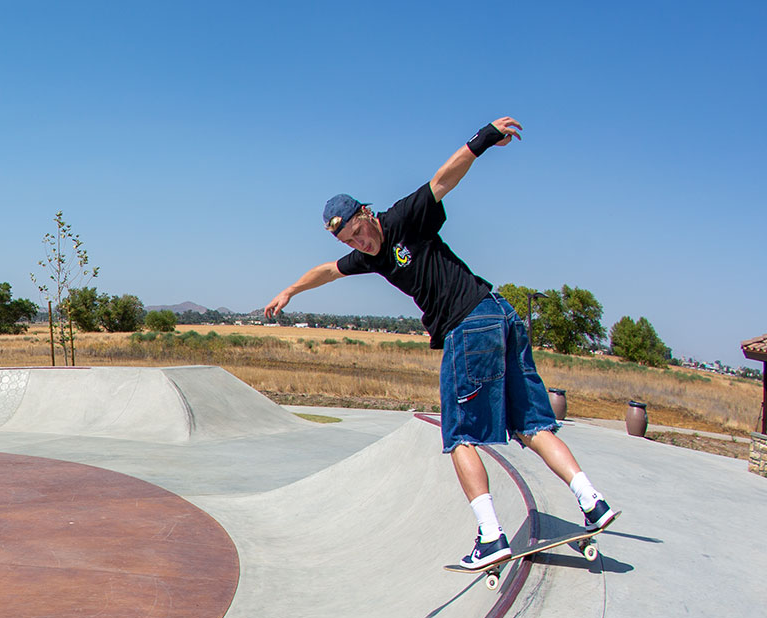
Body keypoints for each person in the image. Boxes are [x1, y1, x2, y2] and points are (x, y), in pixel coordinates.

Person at [264, 117, 617, 570]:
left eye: (362, 231)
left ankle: (491, 536)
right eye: (352, 240)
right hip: (500, 315)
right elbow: (329, 270)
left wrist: (485, 136)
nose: (363, 243)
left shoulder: (403, 217)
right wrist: (291, 290)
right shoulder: (365, 257)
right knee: (532, 425)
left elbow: (443, 179)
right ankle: (593, 502)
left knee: (460, 436)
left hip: (469, 325)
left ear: (368, 214)